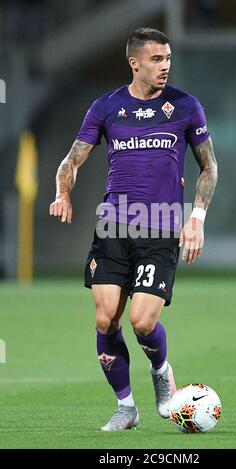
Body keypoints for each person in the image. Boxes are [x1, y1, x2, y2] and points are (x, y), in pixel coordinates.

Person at [49, 27, 218, 431]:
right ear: (135, 63)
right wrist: (62, 193)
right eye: (157, 59)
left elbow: (208, 166)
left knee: (142, 321)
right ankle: (126, 407)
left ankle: (161, 370)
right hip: (112, 225)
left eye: (168, 59)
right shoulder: (106, 107)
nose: (165, 67)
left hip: (160, 227)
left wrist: (197, 218)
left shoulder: (185, 106)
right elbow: (72, 160)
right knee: (106, 319)